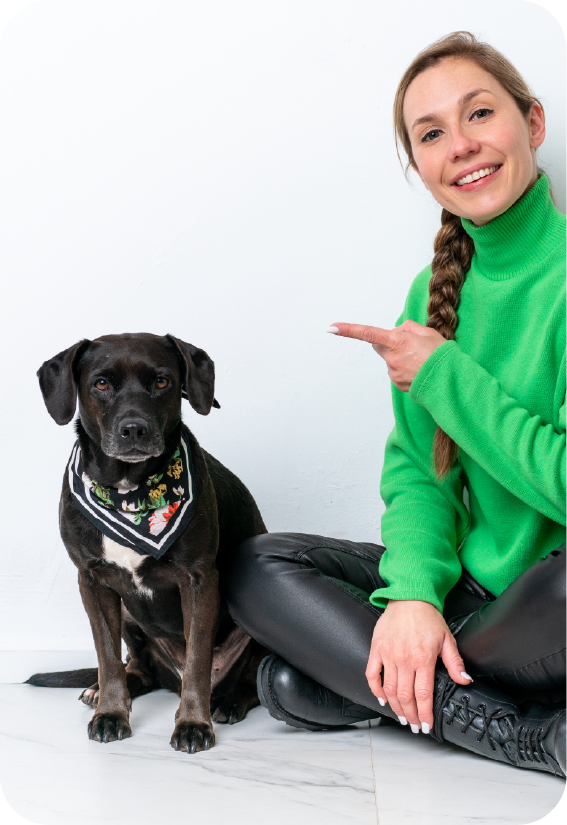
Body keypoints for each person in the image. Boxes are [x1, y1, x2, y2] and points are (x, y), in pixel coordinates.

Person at [226, 31, 566, 777]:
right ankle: (522, 729)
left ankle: (355, 682)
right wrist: (413, 596)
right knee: (253, 563)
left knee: (289, 681)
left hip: (549, 597)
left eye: (479, 114)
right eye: (431, 133)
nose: (461, 146)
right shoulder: (428, 295)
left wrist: (445, 376)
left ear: (531, 124)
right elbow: (419, 474)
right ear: (418, 167)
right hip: (468, 595)